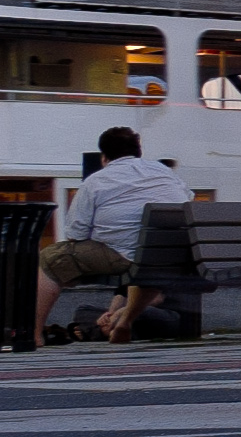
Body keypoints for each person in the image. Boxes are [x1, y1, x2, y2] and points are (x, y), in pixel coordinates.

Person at [38, 126, 183, 342]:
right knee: (143, 264)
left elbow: (75, 234)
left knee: (50, 258)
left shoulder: (96, 181)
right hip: (173, 254)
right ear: (138, 152)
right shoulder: (165, 173)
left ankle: (34, 335)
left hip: (124, 255)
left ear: (104, 157)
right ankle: (122, 320)